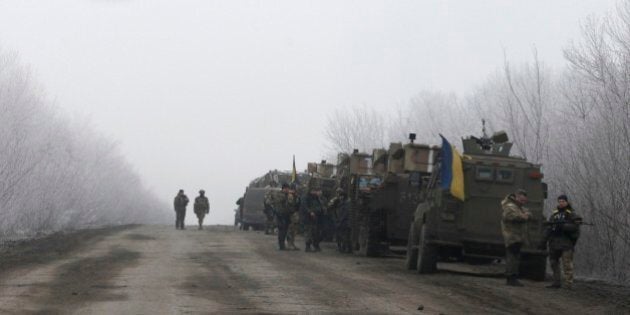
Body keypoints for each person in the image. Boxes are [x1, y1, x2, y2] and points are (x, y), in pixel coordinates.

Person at [543, 194, 582, 289]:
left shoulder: (571, 213)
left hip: (566, 243)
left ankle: (568, 284)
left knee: (567, 264)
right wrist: (544, 240)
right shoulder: (554, 214)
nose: (561, 203)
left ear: (567, 202)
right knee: (553, 262)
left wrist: (564, 226)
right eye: (559, 201)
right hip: (554, 243)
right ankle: (556, 282)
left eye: (563, 201)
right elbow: (549, 228)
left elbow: (576, 226)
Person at [501, 189, 531, 286]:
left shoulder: (519, 207)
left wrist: (526, 215)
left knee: (515, 257)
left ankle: (513, 276)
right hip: (512, 236)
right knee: (512, 257)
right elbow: (509, 217)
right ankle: (511, 277)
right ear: (516, 197)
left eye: (524, 201)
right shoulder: (510, 206)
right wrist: (523, 216)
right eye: (521, 200)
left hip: (518, 236)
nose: (523, 202)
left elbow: (529, 213)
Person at [272, 183, 297, 250]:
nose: (288, 190)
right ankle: (281, 245)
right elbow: (279, 202)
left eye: (288, 188)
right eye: (286, 189)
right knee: (282, 231)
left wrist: (292, 195)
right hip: (280, 215)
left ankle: (283, 245)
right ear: (283, 188)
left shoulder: (288, 195)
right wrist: (288, 196)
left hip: (286, 215)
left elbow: (291, 204)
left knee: (285, 230)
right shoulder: (279, 195)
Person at [300, 181, 324, 252]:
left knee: (316, 232)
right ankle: (308, 246)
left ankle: (316, 245)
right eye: (313, 190)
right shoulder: (306, 197)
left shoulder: (317, 198)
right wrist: (310, 212)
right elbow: (304, 206)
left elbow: (320, 206)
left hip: (317, 217)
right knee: (309, 232)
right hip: (308, 218)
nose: (315, 192)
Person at [329, 187, 351, 253]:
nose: (339, 196)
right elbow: (331, 208)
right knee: (340, 235)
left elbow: (345, 213)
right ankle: (341, 248)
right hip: (339, 221)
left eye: (340, 195)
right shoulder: (337, 201)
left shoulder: (346, 203)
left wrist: (340, 221)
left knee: (344, 236)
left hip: (344, 222)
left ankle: (344, 248)